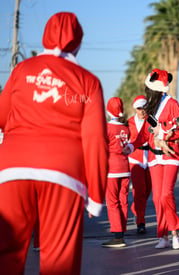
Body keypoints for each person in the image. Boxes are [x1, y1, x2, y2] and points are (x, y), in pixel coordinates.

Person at [0, 12, 108, 275]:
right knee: (59, 259)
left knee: (6, 254)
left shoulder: (21, 70)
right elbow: (95, 141)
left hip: (12, 167)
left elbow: (2, 117)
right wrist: (96, 195)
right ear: (78, 41)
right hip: (63, 173)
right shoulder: (88, 81)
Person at [128, 68, 179, 250]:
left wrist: (166, 133)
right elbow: (144, 134)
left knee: (165, 194)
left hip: (171, 155)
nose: (146, 92)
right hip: (154, 157)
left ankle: (175, 231)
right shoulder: (150, 107)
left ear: (154, 89)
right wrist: (130, 146)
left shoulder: (172, 104)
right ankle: (162, 236)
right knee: (156, 199)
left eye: (148, 89)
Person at [102, 97, 131, 248]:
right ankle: (122, 232)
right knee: (123, 200)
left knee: (112, 202)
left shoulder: (106, 128)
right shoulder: (125, 128)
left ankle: (117, 235)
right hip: (125, 168)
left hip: (112, 169)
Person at [128, 95, 152, 234]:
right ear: (135, 109)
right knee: (139, 190)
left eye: (144, 107)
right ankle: (141, 222)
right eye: (139, 108)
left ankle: (135, 208)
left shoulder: (151, 120)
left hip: (150, 158)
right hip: (135, 159)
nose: (142, 111)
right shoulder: (129, 123)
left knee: (148, 190)